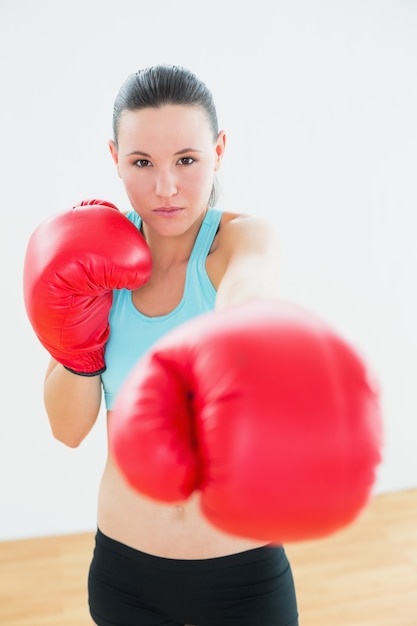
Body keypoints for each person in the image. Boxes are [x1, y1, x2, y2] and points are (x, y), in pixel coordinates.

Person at [23, 64, 382, 625]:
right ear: (115, 158)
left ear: (218, 150)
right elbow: (68, 431)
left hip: (243, 577)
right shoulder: (94, 260)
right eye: (143, 162)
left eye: (186, 160)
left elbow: (247, 299)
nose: (166, 187)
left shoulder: (240, 240)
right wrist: (77, 341)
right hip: (126, 574)